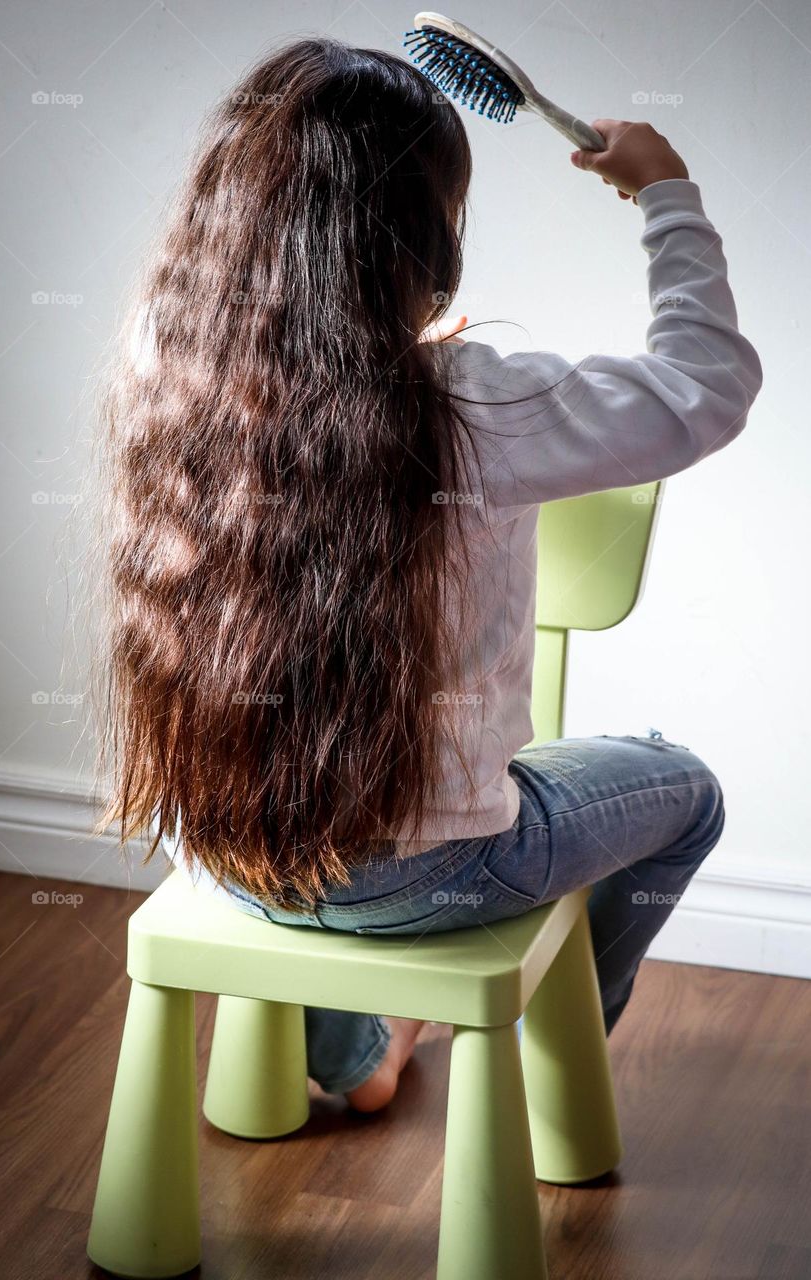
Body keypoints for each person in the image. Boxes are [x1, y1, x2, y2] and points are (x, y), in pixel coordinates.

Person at [96, 39, 762, 1115]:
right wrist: (667, 194)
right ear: (421, 239)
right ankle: (556, 1066)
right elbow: (706, 386)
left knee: (329, 801)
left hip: (218, 842)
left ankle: (358, 1055)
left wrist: (405, 366)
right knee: (682, 787)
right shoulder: (473, 405)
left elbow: (318, 384)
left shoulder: (163, 363)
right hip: (424, 875)